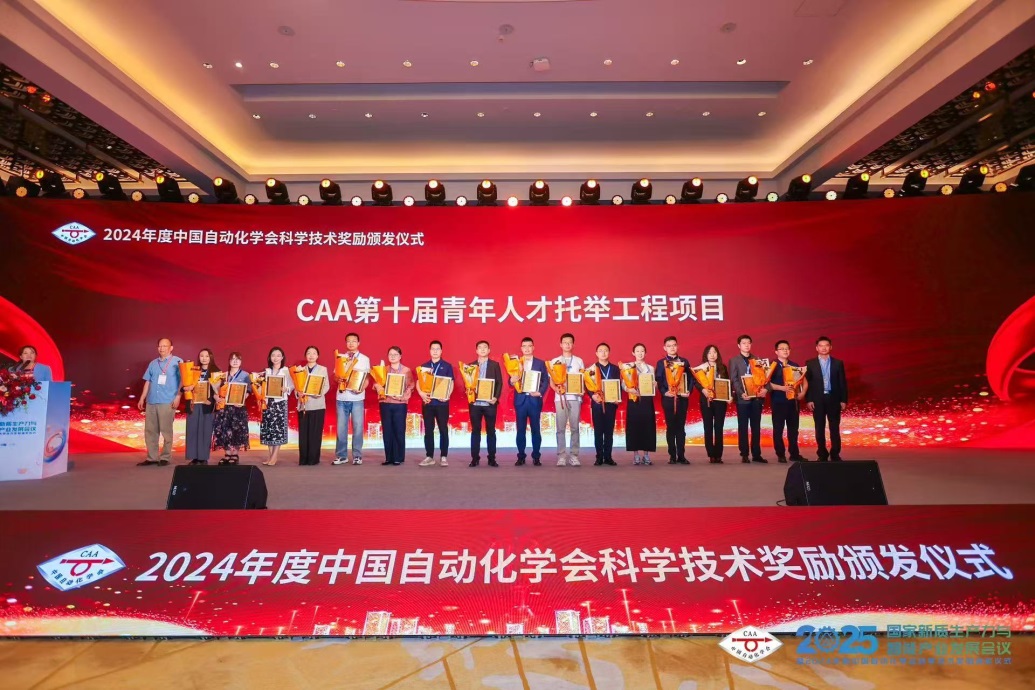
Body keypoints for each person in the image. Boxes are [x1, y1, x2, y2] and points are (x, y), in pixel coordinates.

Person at [137, 337, 182, 467]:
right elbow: (148, 381)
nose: (162, 348)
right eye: (160, 346)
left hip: (167, 401)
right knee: (150, 431)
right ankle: (152, 457)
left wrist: (178, 396)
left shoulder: (178, 362)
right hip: (151, 401)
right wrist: (142, 397)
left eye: (165, 346)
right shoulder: (153, 363)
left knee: (166, 431)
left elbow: (183, 381)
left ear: (171, 348)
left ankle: (165, 457)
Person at [805, 336, 848, 462]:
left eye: (826, 345)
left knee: (834, 427)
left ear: (830, 347)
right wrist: (809, 399)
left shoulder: (838, 363)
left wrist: (843, 400)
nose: (824, 348)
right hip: (817, 399)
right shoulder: (810, 363)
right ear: (817, 348)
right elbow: (807, 383)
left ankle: (835, 453)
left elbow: (842, 383)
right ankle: (822, 454)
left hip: (834, 399)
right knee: (819, 427)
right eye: (821, 345)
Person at [510, 337, 550, 466]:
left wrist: (540, 392)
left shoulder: (540, 363)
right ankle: (521, 456)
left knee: (536, 430)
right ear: (521, 348)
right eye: (524, 346)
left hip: (534, 400)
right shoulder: (515, 363)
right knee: (520, 430)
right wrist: (512, 381)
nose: (527, 348)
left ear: (533, 347)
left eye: (529, 346)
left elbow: (545, 380)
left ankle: (536, 456)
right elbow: (510, 381)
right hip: (520, 400)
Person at [728, 334, 768, 464]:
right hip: (743, 399)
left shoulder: (758, 360)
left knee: (756, 427)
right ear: (738, 345)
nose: (746, 345)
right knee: (743, 427)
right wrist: (741, 393)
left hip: (756, 398)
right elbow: (734, 379)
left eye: (748, 343)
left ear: (751, 344)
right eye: (743, 343)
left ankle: (756, 454)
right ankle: (744, 453)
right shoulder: (734, 360)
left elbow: (764, 378)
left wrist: (763, 390)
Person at [332, 332, 370, 467]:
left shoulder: (364, 359)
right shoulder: (340, 358)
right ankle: (341, 456)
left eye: (354, 341)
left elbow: (366, 378)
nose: (351, 343)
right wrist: (338, 379)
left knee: (358, 428)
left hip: (357, 398)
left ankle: (357, 456)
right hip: (342, 397)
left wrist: (362, 388)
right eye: (348, 341)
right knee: (341, 428)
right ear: (346, 343)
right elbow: (335, 376)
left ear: (358, 343)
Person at [373, 346, 414, 466]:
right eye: (390, 354)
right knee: (387, 430)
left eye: (395, 354)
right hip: (385, 403)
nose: (393, 356)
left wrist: (402, 397)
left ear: (400, 356)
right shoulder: (383, 370)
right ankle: (388, 457)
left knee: (399, 430)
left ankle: (398, 457)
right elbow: (376, 383)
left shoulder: (406, 370)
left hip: (400, 404)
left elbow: (411, 386)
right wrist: (378, 387)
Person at [768, 340, 808, 463]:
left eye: (787, 348)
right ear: (776, 351)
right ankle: (780, 454)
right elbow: (766, 383)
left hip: (793, 403)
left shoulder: (794, 365)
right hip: (778, 401)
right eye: (782, 348)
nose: (785, 350)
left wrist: (803, 393)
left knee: (793, 430)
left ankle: (794, 454)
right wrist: (782, 388)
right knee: (778, 429)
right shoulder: (772, 365)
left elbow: (804, 381)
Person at [654, 336, 691, 465]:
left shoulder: (684, 361)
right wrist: (665, 392)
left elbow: (690, 379)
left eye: (674, 345)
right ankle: (672, 455)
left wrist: (688, 391)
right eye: (669, 346)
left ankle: (681, 455)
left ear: (677, 346)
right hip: (668, 399)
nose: (672, 347)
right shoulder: (661, 363)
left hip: (682, 398)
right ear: (664, 348)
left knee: (681, 427)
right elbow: (659, 380)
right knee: (670, 427)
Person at [550, 333, 584, 467]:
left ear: (573, 344)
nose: (567, 345)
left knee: (575, 428)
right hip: (560, 399)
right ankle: (561, 456)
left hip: (575, 398)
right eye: (565, 342)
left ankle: (574, 455)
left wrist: (581, 390)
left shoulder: (579, 361)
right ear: (561, 344)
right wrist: (555, 389)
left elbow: (583, 378)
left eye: (570, 342)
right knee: (560, 428)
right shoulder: (555, 361)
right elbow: (551, 380)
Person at [418, 340, 454, 467]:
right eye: (433, 349)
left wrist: (447, 395)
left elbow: (451, 382)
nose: (435, 351)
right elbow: (419, 382)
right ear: (429, 351)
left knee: (443, 429)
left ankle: (443, 456)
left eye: (437, 349)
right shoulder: (424, 366)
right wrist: (421, 394)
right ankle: (429, 456)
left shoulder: (447, 366)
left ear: (441, 351)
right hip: (428, 403)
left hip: (442, 404)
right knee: (428, 430)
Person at [692, 344, 729, 464]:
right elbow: (696, 383)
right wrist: (703, 390)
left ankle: (718, 454)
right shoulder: (701, 368)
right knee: (708, 427)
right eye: (709, 352)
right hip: (706, 400)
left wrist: (729, 396)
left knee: (719, 427)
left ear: (717, 354)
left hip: (720, 401)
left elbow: (727, 383)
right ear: (706, 355)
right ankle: (711, 454)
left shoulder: (722, 367)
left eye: (714, 352)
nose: (712, 355)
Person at [468, 340, 503, 468]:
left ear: (489, 350)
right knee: (475, 431)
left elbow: (499, 382)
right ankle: (474, 458)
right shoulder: (470, 366)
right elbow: (467, 384)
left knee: (491, 431)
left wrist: (495, 397)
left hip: (490, 404)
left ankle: (492, 458)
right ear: (476, 350)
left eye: (485, 347)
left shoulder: (495, 365)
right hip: (475, 404)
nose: (482, 349)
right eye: (480, 347)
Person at [213, 352, 250, 465]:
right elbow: (215, 390)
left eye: (237, 359)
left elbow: (248, 391)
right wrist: (216, 397)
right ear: (229, 361)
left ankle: (235, 454)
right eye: (232, 359)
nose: (235, 361)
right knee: (225, 430)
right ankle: (227, 454)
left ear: (241, 362)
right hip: (225, 408)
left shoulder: (245, 375)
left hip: (238, 407)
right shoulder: (223, 375)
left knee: (237, 431)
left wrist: (242, 400)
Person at [183, 348, 218, 465]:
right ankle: (194, 457)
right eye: (201, 356)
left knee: (205, 431)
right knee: (192, 430)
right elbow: (184, 385)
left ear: (211, 357)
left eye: (207, 356)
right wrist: (186, 388)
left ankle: (203, 458)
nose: (204, 358)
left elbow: (219, 390)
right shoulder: (193, 369)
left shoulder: (216, 372)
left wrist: (211, 400)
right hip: (194, 404)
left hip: (206, 406)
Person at [260, 346, 294, 466]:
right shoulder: (266, 371)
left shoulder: (286, 371)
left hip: (280, 403)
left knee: (278, 430)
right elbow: (260, 386)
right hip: (267, 403)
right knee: (269, 430)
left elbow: (292, 385)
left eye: (278, 355)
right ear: (270, 357)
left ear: (282, 357)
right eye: (273, 355)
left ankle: (274, 456)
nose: (276, 358)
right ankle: (270, 456)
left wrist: (286, 389)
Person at [587, 342, 620, 466]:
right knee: (598, 431)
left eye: (605, 350)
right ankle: (599, 457)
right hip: (597, 403)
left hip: (611, 403)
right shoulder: (591, 369)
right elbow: (587, 385)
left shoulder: (615, 368)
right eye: (600, 350)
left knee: (609, 432)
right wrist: (592, 395)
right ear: (596, 353)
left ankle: (608, 457)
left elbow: (618, 384)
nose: (603, 353)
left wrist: (617, 397)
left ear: (609, 353)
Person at [624, 343, 656, 466]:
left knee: (648, 426)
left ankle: (646, 455)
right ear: (633, 353)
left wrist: (655, 385)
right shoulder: (628, 367)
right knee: (634, 426)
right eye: (637, 351)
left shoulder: (650, 368)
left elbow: (653, 385)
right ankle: (636, 455)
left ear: (645, 353)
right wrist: (629, 389)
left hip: (647, 400)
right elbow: (623, 384)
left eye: (642, 351)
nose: (640, 353)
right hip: (633, 399)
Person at [297, 345, 330, 466]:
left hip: (318, 404)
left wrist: (318, 393)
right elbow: (296, 386)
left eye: (314, 353)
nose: (311, 355)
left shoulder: (323, 369)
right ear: (305, 356)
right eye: (309, 353)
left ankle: (313, 459)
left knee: (315, 433)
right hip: (303, 405)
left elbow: (326, 386)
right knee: (303, 433)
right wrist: (298, 393)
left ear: (317, 356)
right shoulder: (300, 370)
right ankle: (303, 459)